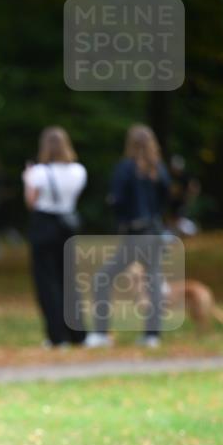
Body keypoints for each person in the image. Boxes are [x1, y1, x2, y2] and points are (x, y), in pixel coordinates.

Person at [85, 124, 170, 349]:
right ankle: (153, 336)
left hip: (136, 233)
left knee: (102, 278)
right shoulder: (158, 169)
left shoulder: (125, 168)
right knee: (153, 281)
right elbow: (165, 200)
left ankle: (100, 333)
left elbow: (116, 199)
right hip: (155, 232)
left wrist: (119, 215)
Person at [22, 127, 87, 348]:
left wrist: (26, 180)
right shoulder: (79, 171)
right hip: (68, 226)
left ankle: (57, 335)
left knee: (47, 282)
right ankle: (78, 333)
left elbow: (32, 201)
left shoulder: (38, 172)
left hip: (44, 225)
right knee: (69, 280)